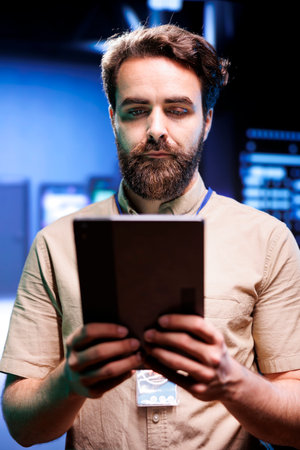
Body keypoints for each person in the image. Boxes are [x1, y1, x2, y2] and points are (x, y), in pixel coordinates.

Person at [1, 24, 300, 450]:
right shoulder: (56, 244)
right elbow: (21, 425)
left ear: (208, 121)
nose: (156, 128)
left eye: (178, 109)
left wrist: (233, 383)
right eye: (136, 110)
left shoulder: (269, 241)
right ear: (113, 118)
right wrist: (68, 382)